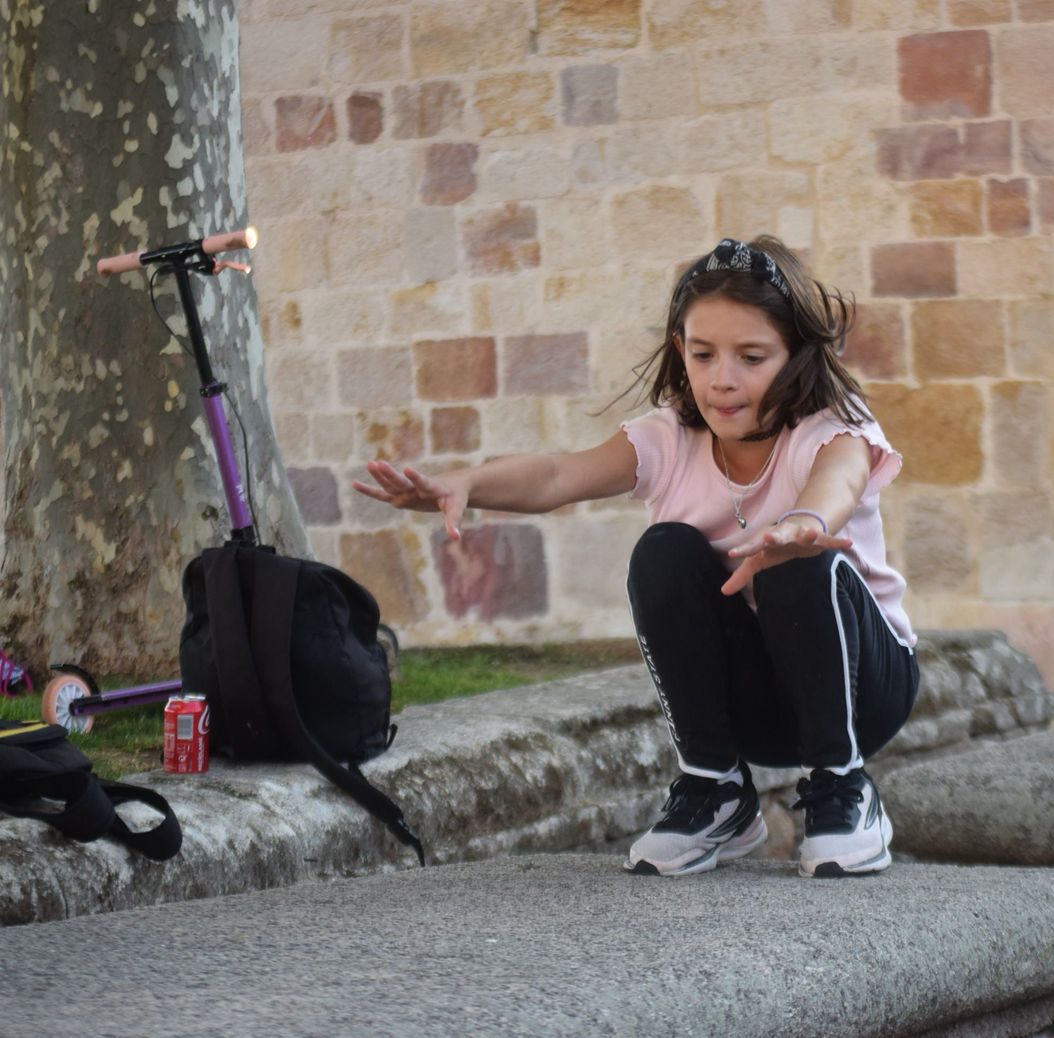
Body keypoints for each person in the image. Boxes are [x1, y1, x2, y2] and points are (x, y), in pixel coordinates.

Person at [355, 237, 919, 877]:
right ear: (680, 349)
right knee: (663, 551)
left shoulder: (832, 427)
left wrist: (802, 524)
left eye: (752, 357)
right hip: (758, 705)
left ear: (795, 354)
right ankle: (716, 789)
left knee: (796, 558)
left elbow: (840, 481)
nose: (722, 379)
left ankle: (843, 786)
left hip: (863, 691)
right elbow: (557, 475)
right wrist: (466, 484)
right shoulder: (671, 438)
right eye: (703, 354)